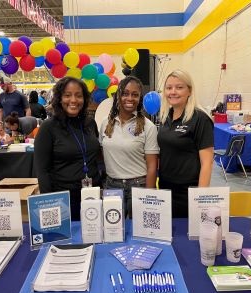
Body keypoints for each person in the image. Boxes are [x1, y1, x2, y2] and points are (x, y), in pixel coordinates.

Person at [34, 77, 101, 221]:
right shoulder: (48, 127)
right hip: (63, 201)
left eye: (78, 95)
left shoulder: (90, 124)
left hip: (92, 196)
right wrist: (49, 205)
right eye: (67, 95)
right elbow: (42, 171)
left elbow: (95, 157)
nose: (73, 100)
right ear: (59, 98)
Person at [157, 69, 214, 218]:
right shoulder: (165, 117)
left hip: (188, 193)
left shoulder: (200, 119)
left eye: (179, 87)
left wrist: (200, 200)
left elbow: (207, 163)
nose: (173, 92)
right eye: (169, 88)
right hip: (165, 189)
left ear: (189, 90)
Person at [100, 76, 159, 217]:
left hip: (138, 186)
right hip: (111, 186)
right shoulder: (105, 124)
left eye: (135, 95)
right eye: (125, 93)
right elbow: (102, 156)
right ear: (118, 96)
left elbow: (152, 166)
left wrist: (148, 198)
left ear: (140, 99)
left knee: (139, 233)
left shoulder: (148, 127)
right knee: (112, 232)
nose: (130, 98)